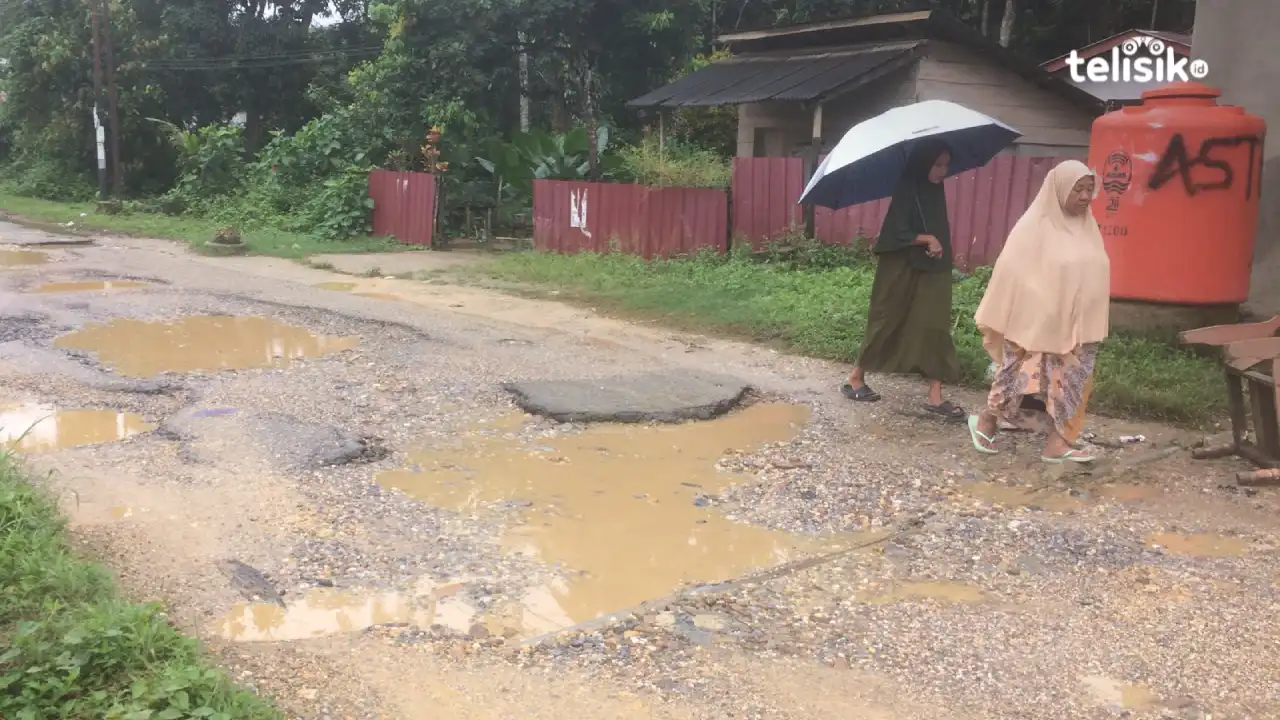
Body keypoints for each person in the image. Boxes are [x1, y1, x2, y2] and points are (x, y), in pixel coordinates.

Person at [967, 159, 1110, 463]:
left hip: (1080, 326)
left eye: (1089, 189)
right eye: (1078, 190)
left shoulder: (1088, 228)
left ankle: (1058, 442)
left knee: (1073, 379)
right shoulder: (1033, 227)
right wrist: (1040, 307)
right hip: (1035, 323)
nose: (1085, 197)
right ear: (1058, 191)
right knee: (1016, 375)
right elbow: (1013, 274)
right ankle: (987, 420)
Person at [841, 139, 965, 421]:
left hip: (933, 268)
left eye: (946, 165)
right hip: (899, 267)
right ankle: (855, 378)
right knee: (887, 319)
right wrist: (926, 238)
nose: (943, 171)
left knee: (934, 324)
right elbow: (894, 232)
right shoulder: (908, 190)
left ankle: (935, 396)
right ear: (923, 164)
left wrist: (937, 244)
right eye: (937, 164)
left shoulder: (935, 192)